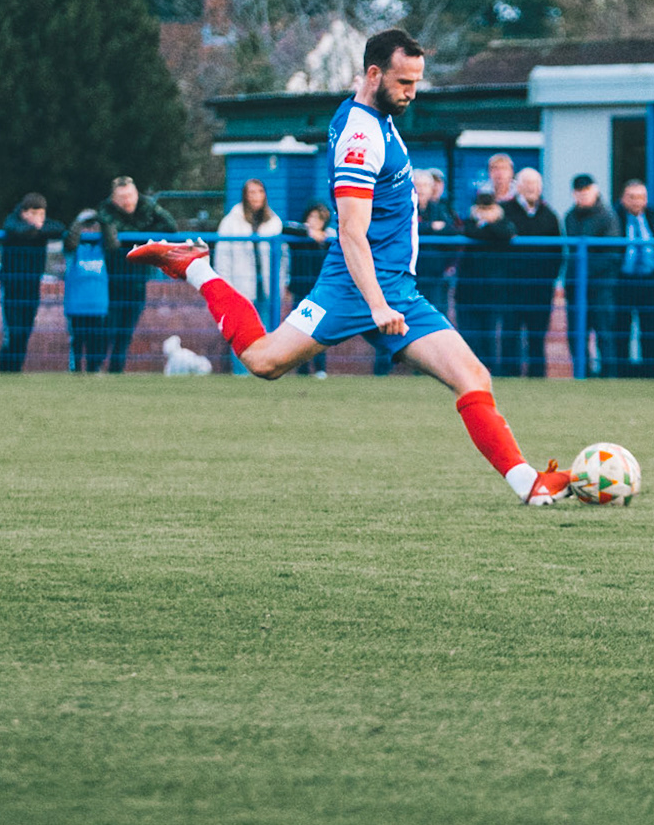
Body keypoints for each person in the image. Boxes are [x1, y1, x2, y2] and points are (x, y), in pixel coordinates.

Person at [128, 28, 574, 505]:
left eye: (417, 82)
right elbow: (351, 232)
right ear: (374, 73)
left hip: (396, 290)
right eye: (404, 82)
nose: (411, 93)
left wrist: (388, 296)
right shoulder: (361, 137)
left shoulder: (371, 114)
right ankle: (196, 267)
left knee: (473, 377)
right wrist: (377, 304)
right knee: (263, 361)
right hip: (353, 289)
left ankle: (529, 484)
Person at [93, 176, 178, 373]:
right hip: (112, 280)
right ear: (114, 200)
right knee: (108, 328)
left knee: (126, 331)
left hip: (138, 280)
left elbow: (171, 226)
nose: (128, 201)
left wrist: (142, 235)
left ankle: (116, 371)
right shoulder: (105, 209)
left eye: (131, 195)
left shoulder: (147, 205)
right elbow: (110, 226)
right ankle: (94, 367)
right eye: (122, 197)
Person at [215, 179, 285, 374]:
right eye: (251, 192)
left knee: (267, 331)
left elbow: (283, 256)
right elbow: (223, 255)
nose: (256, 196)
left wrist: (280, 282)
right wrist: (225, 286)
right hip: (241, 285)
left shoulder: (274, 222)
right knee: (242, 333)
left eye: (260, 191)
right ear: (245, 195)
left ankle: (266, 369)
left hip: (267, 286)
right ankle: (242, 373)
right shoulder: (231, 222)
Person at [501, 167, 562, 378]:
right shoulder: (505, 211)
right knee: (510, 332)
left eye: (535, 185)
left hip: (540, 286)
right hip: (511, 285)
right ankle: (509, 374)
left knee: (537, 334)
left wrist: (549, 279)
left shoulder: (549, 215)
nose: (531, 189)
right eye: (527, 184)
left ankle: (538, 375)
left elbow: (558, 251)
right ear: (518, 186)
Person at [611, 180, 654, 378]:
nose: (637, 201)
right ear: (623, 199)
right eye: (632, 197)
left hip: (651, 282)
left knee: (652, 329)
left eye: (641, 197)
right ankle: (622, 372)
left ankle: (652, 373)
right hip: (624, 281)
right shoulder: (615, 218)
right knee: (621, 329)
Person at [561, 174, 619, 377]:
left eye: (586, 191)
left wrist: (586, 271)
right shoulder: (570, 216)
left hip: (600, 285)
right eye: (579, 192)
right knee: (576, 333)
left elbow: (610, 253)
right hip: (576, 285)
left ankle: (609, 375)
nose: (583, 196)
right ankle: (581, 373)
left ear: (595, 190)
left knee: (604, 331)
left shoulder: (607, 216)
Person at [0, 193, 62, 372]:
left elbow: (58, 228)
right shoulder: (13, 221)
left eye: (41, 214)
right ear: (25, 212)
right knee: (12, 332)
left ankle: (16, 371)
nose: (39, 218)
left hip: (32, 286)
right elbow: (15, 228)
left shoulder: (43, 225)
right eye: (35, 214)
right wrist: (34, 228)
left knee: (25, 331)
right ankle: (5, 372)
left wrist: (38, 228)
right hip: (11, 286)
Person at [459, 191, 516, 374]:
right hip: (468, 289)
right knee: (469, 333)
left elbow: (506, 233)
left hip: (493, 290)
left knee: (489, 333)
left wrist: (489, 224)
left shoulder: (503, 223)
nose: (484, 212)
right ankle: (469, 369)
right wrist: (483, 226)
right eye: (481, 209)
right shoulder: (469, 221)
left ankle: (490, 369)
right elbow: (468, 231)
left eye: (488, 209)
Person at [284, 203, 334, 376]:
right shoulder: (299, 235)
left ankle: (320, 368)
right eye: (312, 217)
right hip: (301, 291)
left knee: (319, 330)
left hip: (321, 293)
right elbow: (285, 228)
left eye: (320, 218)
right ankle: (302, 369)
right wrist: (308, 233)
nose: (315, 221)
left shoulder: (328, 240)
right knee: (300, 329)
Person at [62, 209, 112, 371]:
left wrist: (104, 220)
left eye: (93, 226)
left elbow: (112, 241)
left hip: (98, 306)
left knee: (96, 342)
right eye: (87, 226)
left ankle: (94, 369)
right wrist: (80, 220)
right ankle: (75, 370)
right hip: (76, 306)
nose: (90, 230)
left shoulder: (102, 248)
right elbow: (70, 241)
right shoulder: (73, 250)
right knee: (77, 340)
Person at [414, 169, 458, 315]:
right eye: (418, 185)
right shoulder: (406, 208)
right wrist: (431, 227)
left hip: (436, 272)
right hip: (412, 272)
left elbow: (452, 230)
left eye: (425, 185)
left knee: (437, 311)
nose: (421, 190)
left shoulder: (439, 209)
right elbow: (405, 228)